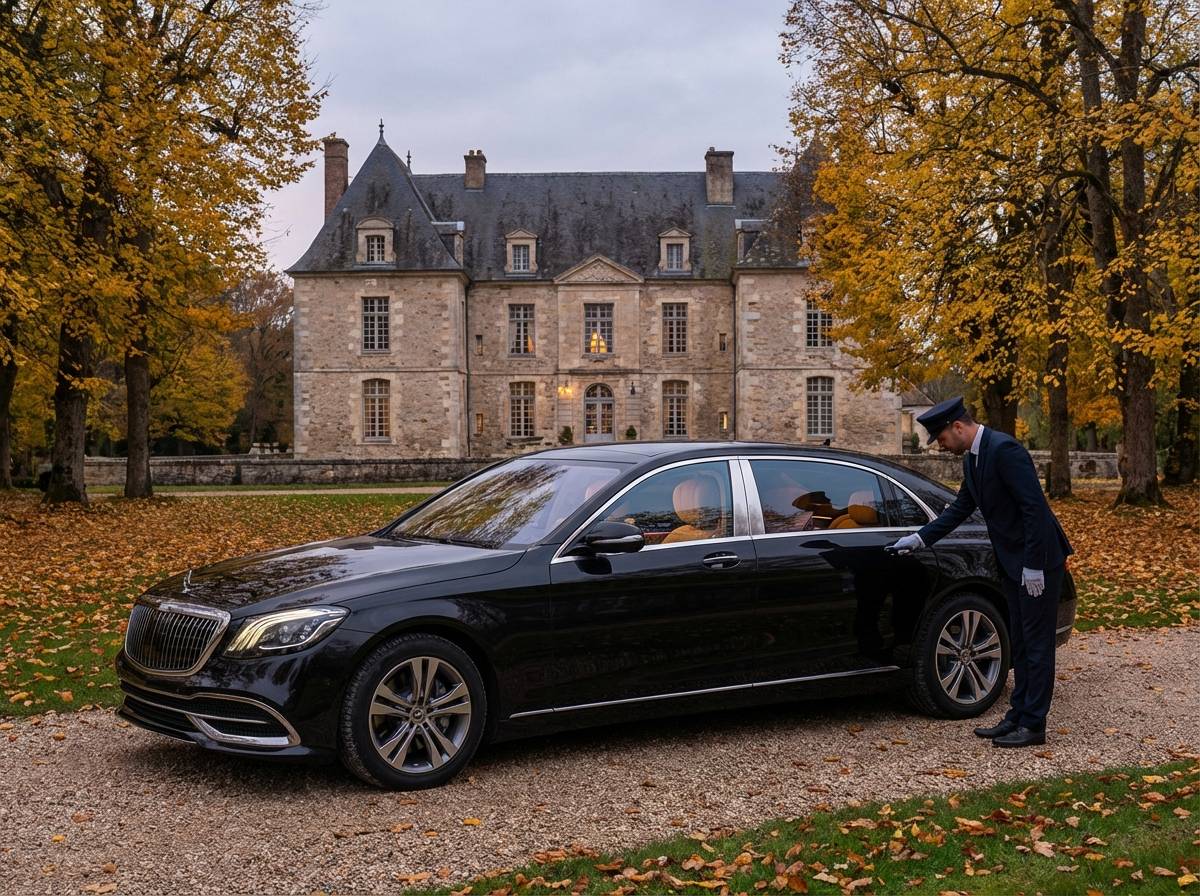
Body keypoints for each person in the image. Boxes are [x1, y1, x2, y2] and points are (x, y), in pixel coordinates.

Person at [890, 397, 1073, 748]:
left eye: (942, 438)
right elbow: (961, 507)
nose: (941, 447)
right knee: (1020, 642)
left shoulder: (1004, 450)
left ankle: (1033, 724)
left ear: (958, 427)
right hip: (1013, 562)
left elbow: (1034, 510)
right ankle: (1017, 715)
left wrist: (1034, 565)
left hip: (1038, 562)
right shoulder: (973, 458)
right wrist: (920, 538)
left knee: (1037, 645)